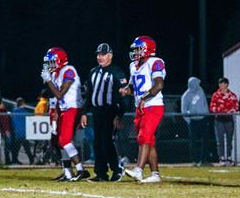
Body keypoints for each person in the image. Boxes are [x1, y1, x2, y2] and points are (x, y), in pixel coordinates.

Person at [80, 43, 127, 182]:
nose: (99, 57)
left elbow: (125, 95)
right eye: (98, 54)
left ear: (110, 56)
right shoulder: (93, 72)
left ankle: (117, 169)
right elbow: (89, 94)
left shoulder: (117, 72)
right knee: (97, 142)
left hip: (110, 112)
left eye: (103, 54)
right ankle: (101, 173)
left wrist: (119, 115)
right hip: (96, 112)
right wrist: (84, 112)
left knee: (107, 142)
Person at [41, 47, 90, 182]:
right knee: (58, 142)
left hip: (73, 109)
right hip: (64, 109)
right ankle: (68, 172)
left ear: (59, 60)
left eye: (52, 62)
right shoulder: (57, 73)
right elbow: (58, 98)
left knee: (64, 140)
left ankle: (81, 170)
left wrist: (48, 81)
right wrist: (57, 111)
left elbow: (59, 93)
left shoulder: (69, 70)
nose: (49, 65)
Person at [121, 36, 166, 183]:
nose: (135, 52)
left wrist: (144, 97)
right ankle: (155, 174)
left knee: (144, 136)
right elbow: (133, 88)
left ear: (147, 49)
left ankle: (138, 170)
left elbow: (159, 85)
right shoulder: (133, 66)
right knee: (149, 141)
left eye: (138, 49)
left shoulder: (155, 62)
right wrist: (125, 90)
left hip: (153, 105)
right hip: (140, 107)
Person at [209, 77, 239, 166]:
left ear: (226, 84)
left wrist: (229, 111)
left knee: (229, 140)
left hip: (229, 120)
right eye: (220, 84)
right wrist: (221, 111)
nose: (221, 85)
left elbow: (236, 106)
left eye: (222, 83)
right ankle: (221, 158)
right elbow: (212, 107)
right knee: (220, 140)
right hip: (219, 120)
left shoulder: (232, 95)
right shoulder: (216, 95)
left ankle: (229, 157)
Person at [181, 77, 209, 166]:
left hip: (203, 119)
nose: (198, 85)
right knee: (193, 141)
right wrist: (189, 121)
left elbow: (204, 103)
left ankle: (203, 160)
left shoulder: (201, 91)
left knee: (205, 140)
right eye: (196, 83)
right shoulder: (186, 95)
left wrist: (206, 114)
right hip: (193, 121)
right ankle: (194, 161)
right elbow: (184, 110)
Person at [11, 98, 35, 164]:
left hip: (17, 133)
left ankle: (14, 160)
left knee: (16, 148)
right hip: (24, 133)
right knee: (27, 148)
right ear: (22, 103)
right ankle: (31, 159)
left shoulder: (14, 111)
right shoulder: (24, 111)